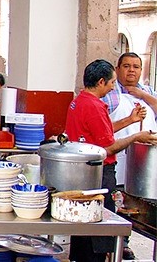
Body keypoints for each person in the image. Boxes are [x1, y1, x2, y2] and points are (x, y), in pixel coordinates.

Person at [64, 59, 157, 262]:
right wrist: (135, 137)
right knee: (98, 230)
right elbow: (106, 148)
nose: (114, 86)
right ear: (101, 82)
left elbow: (100, 132)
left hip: (84, 172)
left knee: (83, 229)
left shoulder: (80, 101)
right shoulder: (95, 106)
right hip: (99, 174)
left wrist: (130, 120)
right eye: (112, 82)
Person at [100, 53, 155, 259]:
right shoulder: (111, 94)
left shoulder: (148, 92)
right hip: (118, 157)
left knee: (137, 206)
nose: (131, 70)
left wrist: (142, 96)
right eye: (126, 66)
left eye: (136, 67)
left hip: (144, 162)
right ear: (118, 68)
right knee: (114, 203)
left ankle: (126, 241)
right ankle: (113, 243)